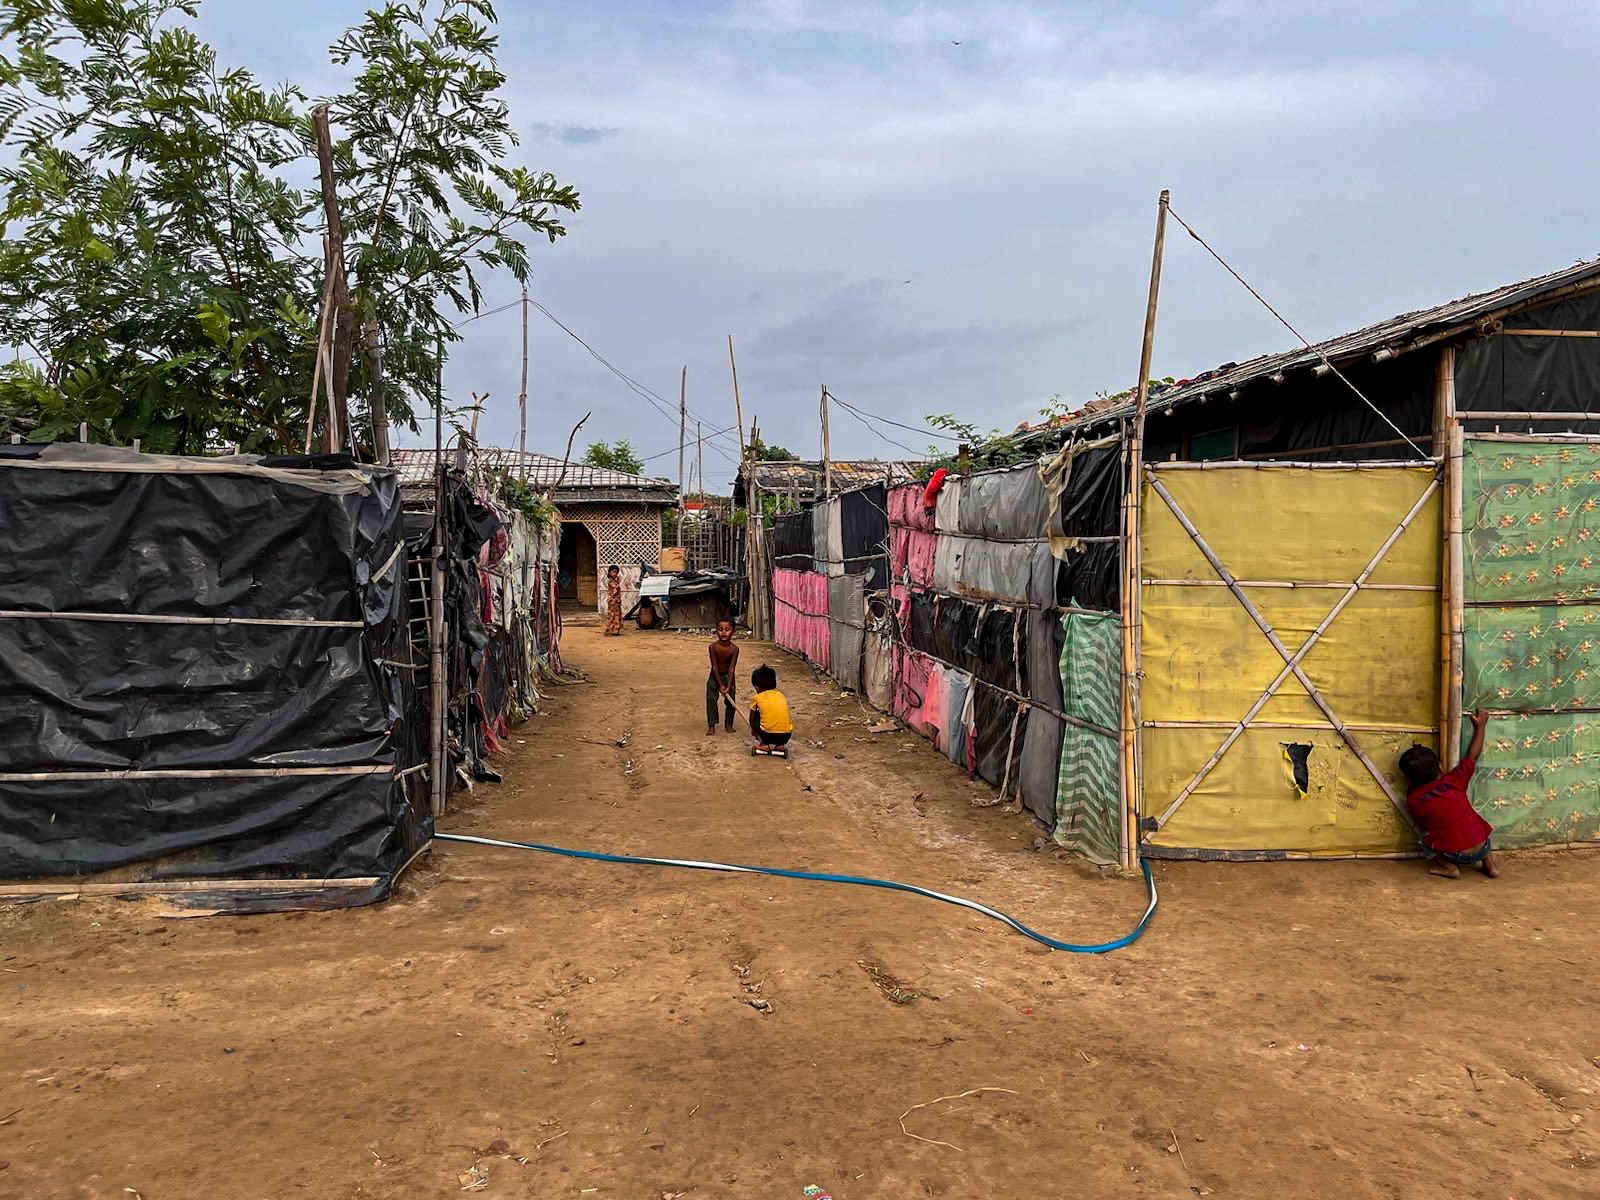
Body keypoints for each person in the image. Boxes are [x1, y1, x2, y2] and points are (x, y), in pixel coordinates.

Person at [1399, 708, 1500, 879]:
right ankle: (1490, 866)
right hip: (1482, 847)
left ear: (1410, 780)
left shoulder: (1416, 800)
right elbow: (1472, 756)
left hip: (1455, 854)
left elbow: (1424, 825)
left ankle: (1450, 868)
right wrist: (1481, 726)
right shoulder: (1456, 779)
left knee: (1424, 838)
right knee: (1475, 822)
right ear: (1439, 767)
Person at [748, 663, 793, 751]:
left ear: (756, 687)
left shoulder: (757, 698)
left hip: (766, 736)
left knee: (756, 713)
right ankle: (779, 745)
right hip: (786, 736)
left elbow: (751, 718)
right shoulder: (781, 695)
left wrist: (754, 731)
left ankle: (764, 744)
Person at [706, 618, 739, 735]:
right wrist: (720, 685)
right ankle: (711, 725)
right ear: (716, 631)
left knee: (731, 700)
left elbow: (731, 668)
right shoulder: (713, 647)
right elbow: (714, 667)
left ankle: (729, 724)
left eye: (727, 629)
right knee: (711, 699)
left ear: (733, 631)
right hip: (715, 676)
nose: (724, 632)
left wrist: (728, 686)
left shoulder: (734, 649)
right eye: (720, 630)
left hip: (728, 676)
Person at [604, 565, 623, 636]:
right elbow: (615, 591)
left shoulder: (615, 581)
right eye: (613, 572)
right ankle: (611, 630)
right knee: (612, 616)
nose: (615, 573)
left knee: (617, 616)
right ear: (609, 573)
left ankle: (616, 630)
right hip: (612, 601)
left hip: (616, 601)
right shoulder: (611, 582)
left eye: (616, 572)